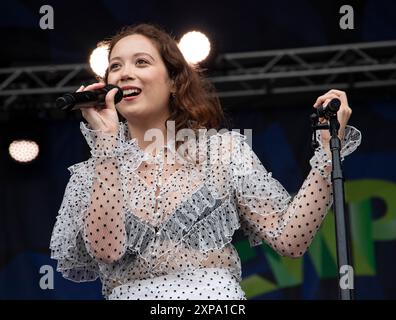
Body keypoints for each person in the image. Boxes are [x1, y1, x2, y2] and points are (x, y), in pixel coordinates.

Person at [50, 23, 361, 300]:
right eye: (114, 67)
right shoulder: (93, 172)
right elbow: (107, 251)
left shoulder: (222, 152)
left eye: (141, 62)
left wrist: (325, 155)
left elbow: (290, 239)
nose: (124, 73)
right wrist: (106, 144)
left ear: (173, 81)